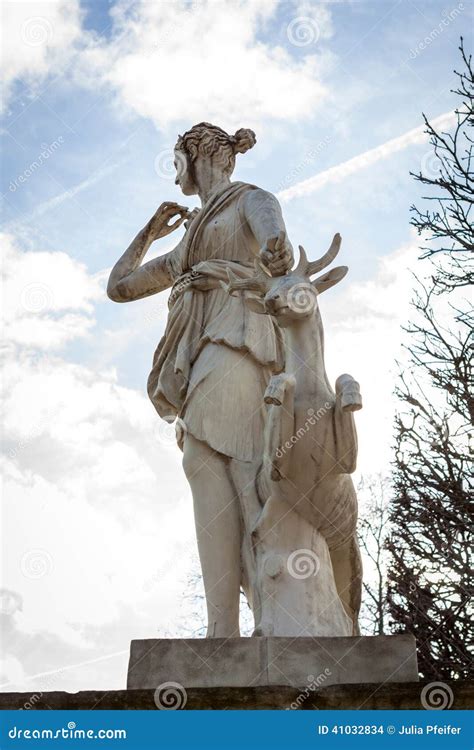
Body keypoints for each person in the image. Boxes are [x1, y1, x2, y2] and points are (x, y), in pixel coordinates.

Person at [107, 123, 294, 637]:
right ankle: (224, 631)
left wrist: (273, 254)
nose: (175, 176)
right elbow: (120, 288)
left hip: (237, 337)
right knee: (204, 464)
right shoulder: (190, 239)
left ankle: (274, 617)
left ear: (197, 154)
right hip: (196, 352)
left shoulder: (250, 200)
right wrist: (150, 231)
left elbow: (280, 253)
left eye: (176, 161)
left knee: (245, 471)